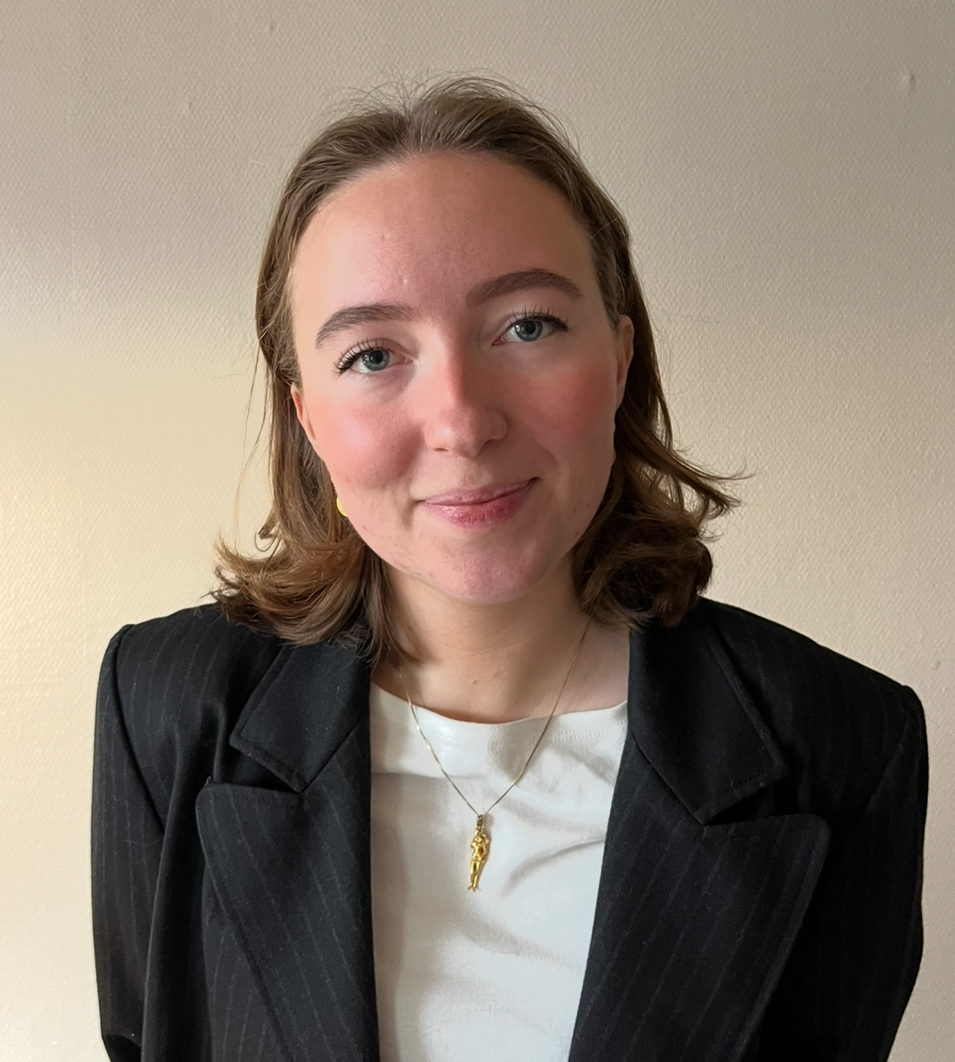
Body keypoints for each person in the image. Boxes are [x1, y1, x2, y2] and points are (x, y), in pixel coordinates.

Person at [92, 77, 927, 1062]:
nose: (461, 421)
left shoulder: (842, 746)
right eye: (372, 355)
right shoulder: (165, 707)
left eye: (526, 325)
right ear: (306, 413)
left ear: (618, 360)